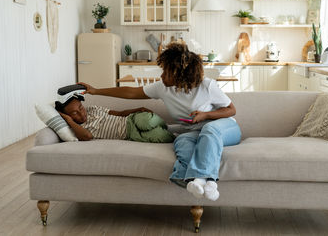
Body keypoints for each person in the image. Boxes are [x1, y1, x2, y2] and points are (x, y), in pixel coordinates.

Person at [79, 42, 241, 201]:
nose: (162, 75)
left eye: (166, 72)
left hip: (225, 129)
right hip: (193, 132)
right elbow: (131, 92)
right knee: (182, 140)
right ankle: (189, 180)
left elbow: (231, 110)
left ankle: (207, 180)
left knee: (209, 130)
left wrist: (205, 116)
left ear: (179, 73)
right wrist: (95, 91)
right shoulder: (163, 88)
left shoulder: (207, 86)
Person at [55, 89, 174, 143]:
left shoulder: (92, 109)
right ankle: (172, 133)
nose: (81, 113)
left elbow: (119, 113)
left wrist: (138, 109)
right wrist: (69, 121)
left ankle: (165, 125)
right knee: (162, 137)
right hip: (131, 134)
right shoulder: (78, 129)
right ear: (68, 116)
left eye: (80, 108)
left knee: (147, 121)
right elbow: (87, 136)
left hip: (130, 120)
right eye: (74, 113)